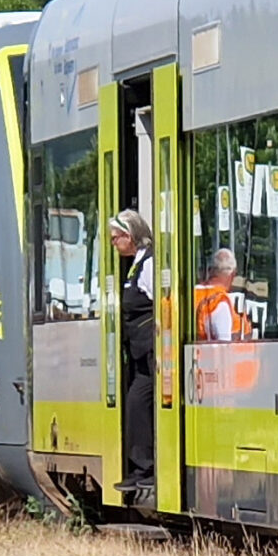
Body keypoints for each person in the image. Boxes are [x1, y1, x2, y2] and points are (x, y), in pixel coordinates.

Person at [109, 210, 156, 497]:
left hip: (151, 350)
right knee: (136, 404)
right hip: (140, 352)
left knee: (139, 402)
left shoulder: (149, 265)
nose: (114, 244)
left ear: (130, 236)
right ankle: (141, 469)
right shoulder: (135, 265)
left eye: (116, 238)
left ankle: (148, 469)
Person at [194, 248, 251, 341]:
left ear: (210, 271)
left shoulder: (190, 295)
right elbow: (223, 346)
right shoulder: (219, 303)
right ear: (233, 274)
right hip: (224, 355)